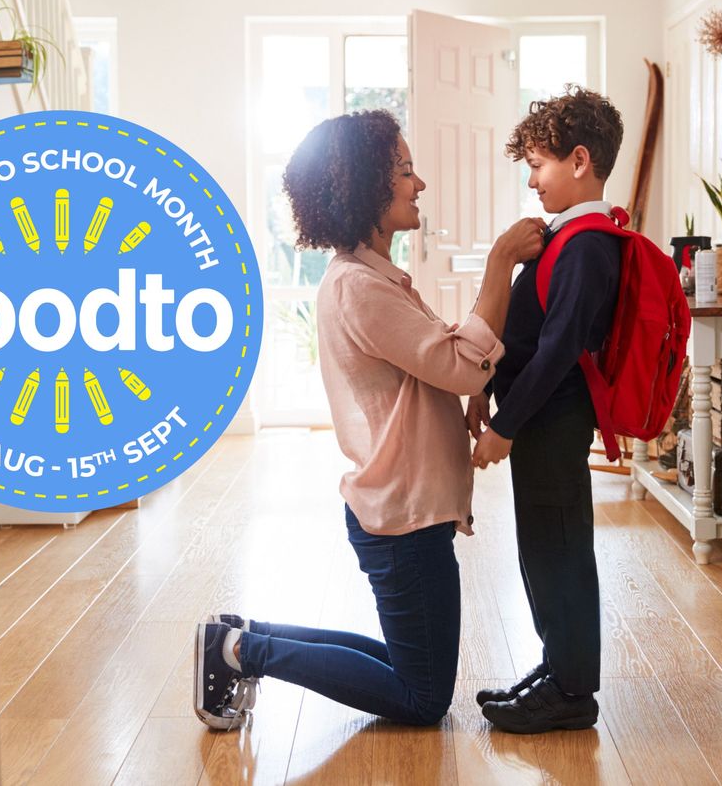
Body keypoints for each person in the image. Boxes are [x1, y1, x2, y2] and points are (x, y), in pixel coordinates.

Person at [194, 109, 546, 730]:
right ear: (365, 188)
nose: (420, 184)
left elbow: (437, 364)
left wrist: (466, 384)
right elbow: (461, 364)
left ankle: (242, 635)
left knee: (412, 665)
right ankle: (242, 652)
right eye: (406, 171)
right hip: (403, 518)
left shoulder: (372, 277)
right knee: (422, 696)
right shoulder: (361, 287)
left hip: (402, 509)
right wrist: (500, 264)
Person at [466, 86, 625, 733]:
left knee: (559, 550)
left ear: (579, 159)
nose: (531, 179)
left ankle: (572, 690)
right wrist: (486, 385)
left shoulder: (588, 243)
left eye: (538, 164)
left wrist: (505, 425)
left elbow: (559, 348)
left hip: (553, 421)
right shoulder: (565, 237)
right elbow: (529, 331)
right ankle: (558, 667)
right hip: (539, 419)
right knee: (541, 547)